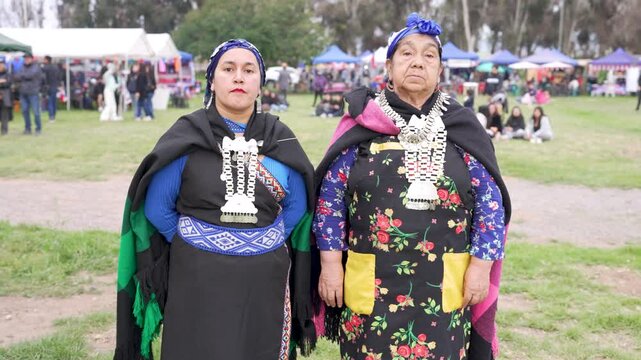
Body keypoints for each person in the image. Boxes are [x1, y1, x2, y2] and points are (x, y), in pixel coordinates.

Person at [312, 13, 510, 360]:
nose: (418, 61)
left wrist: (481, 268)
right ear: (389, 66)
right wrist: (330, 265)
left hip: (443, 287)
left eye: (429, 55)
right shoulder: (363, 123)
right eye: (407, 53)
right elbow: (329, 202)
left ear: (440, 71)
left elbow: (490, 204)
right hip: (371, 287)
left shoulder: (462, 128)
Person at [114, 39, 317, 360]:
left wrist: (260, 239)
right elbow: (156, 207)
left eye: (249, 70)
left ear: (260, 84)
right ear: (212, 79)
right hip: (197, 277)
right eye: (228, 69)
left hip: (264, 279)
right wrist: (202, 243)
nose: (239, 77)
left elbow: (297, 207)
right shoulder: (187, 136)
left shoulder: (280, 138)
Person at [13, 54, 43, 135]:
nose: (26, 59)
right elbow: (16, 76)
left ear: (32, 59)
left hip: (33, 92)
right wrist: (23, 76)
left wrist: (22, 76)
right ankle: (27, 128)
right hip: (23, 92)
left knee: (36, 112)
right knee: (24, 111)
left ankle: (38, 129)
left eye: (28, 58)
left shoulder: (36, 67)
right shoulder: (22, 67)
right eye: (25, 58)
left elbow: (30, 75)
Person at [42, 56, 61, 123]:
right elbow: (59, 77)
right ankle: (53, 115)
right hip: (55, 86)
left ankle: (51, 116)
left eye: (44, 59)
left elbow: (43, 78)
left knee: (50, 101)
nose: (43, 61)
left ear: (47, 60)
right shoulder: (56, 67)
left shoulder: (45, 68)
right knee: (54, 101)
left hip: (48, 86)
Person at [0, 61, 11, 135]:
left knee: (4, 114)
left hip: (5, 95)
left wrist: (3, 82)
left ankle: (4, 130)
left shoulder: (7, 74)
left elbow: (8, 83)